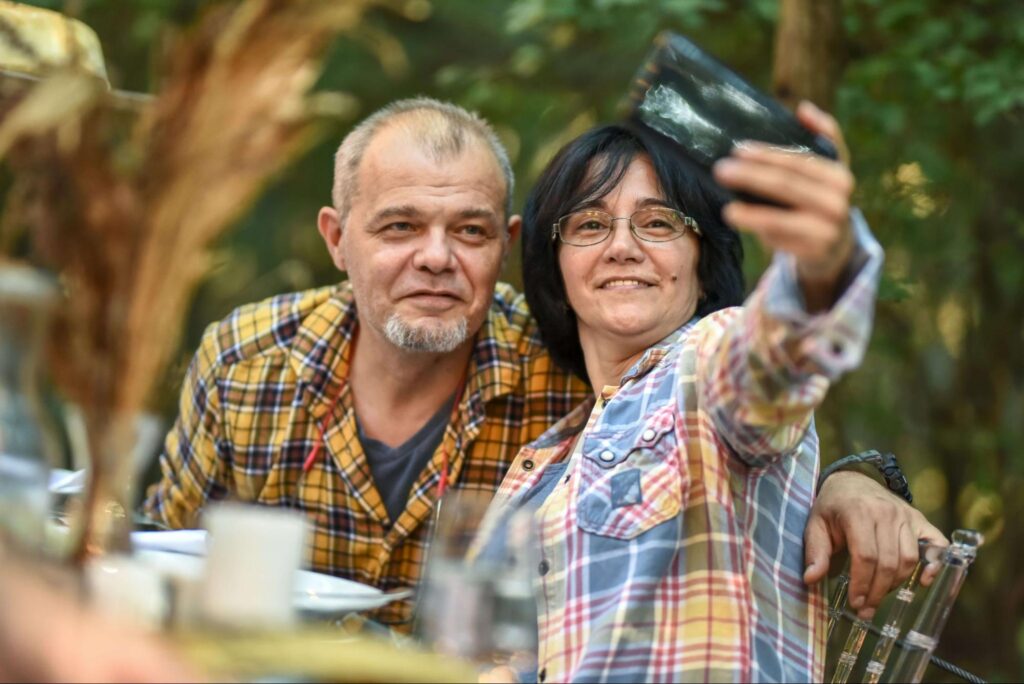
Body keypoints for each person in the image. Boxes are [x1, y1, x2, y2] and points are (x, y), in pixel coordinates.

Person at [143, 98, 939, 627]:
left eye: (471, 231)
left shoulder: (572, 370)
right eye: (398, 228)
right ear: (335, 239)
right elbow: (155, 549)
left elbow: (740, 401)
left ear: (513, 245)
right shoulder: (248, 360)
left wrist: (850, 477)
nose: (435, 258)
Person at [471, 106, 889, 681]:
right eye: (590, 225)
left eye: (660, 223)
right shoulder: (539, 463)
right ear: (557, 269)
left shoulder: (708, 361)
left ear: (703, 265)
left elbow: (777, 356)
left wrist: (822, 263)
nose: (622, 247)